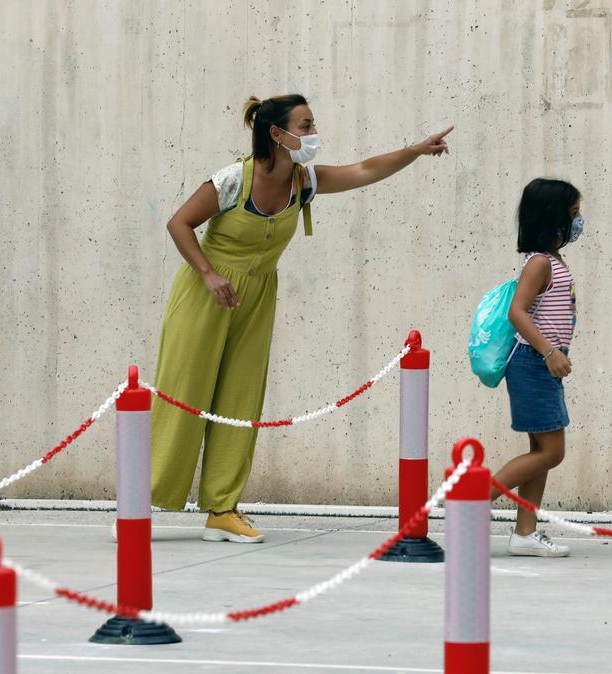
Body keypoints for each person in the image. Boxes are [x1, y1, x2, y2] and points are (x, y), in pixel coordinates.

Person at [151, 94, 452, 543]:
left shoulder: (303, 181)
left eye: (312, 125)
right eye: (305, 126)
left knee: (240, 400)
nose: (313, 135)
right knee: (185, 392)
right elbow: (179, 223)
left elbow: (364, 170)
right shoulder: (234, 179)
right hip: (205, 292)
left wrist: (414, 151)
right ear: (277, 134)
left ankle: (222, 509)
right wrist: (209, 274)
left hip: (257, 295)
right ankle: (141, 502)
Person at [489, 178, 582, 558]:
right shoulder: (540, 263)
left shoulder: (552, 261)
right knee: (551, 452)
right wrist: (549, 352)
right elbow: (517, 312)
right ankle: (472, 500)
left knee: (539, 450)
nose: (579, 222)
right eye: (574, 214)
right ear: (553, 218)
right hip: (533, 363)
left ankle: (525, 532)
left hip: (540, 364)